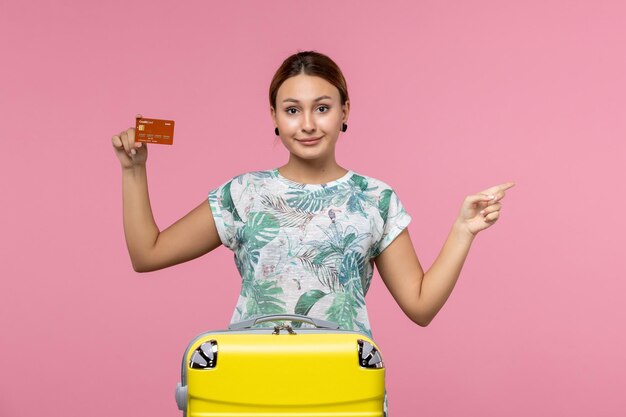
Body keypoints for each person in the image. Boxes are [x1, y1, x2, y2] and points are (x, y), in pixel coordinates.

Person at [111, 50, 514, 416]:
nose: (307, 124)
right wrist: (134, 171)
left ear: (344, 111)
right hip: (249, 387)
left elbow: (420, 305)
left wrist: (463, 230)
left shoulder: (374, 198)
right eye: (292, 110)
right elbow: (148, 254)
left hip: (344, 388)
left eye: (321, 108)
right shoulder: (246, 194)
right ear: (273, 116)